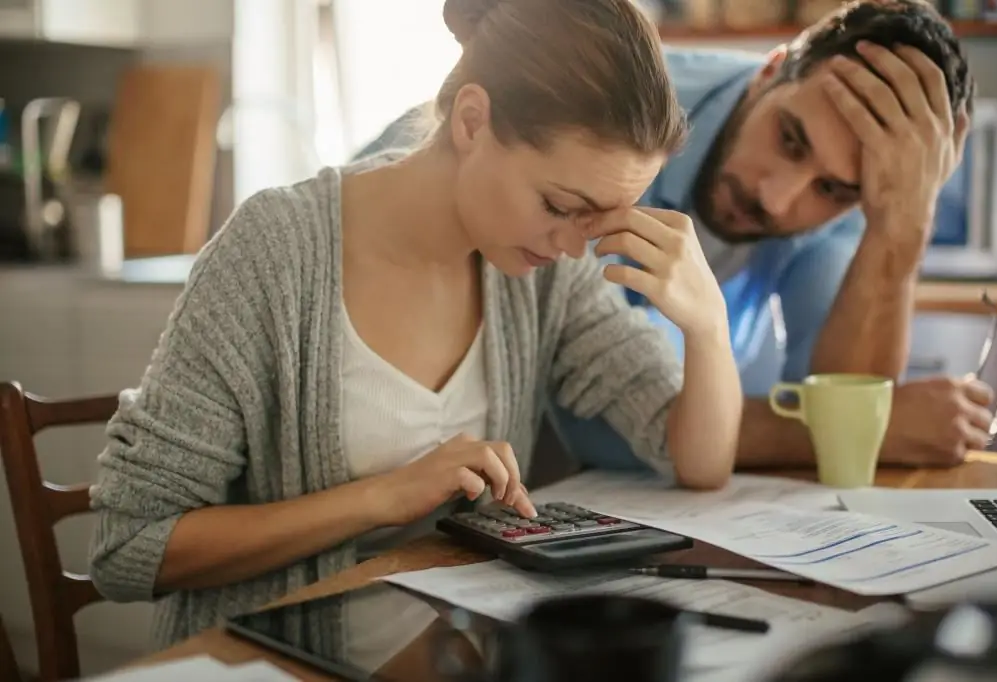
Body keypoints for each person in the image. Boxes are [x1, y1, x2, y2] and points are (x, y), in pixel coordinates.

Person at [87, 0, 742, 664]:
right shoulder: (274, 254)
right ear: (471, 121)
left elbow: (696, 459)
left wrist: (707, 328)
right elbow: (129, 546)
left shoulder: (540, 271)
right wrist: (379, 498)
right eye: (561, 207)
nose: (576, 246)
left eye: (598, 220)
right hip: (276, 663)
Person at [358, 0, 995, 473]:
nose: (779, 197)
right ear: (770, 71)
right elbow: (608, 429)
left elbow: (840, 426)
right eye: (789, 139)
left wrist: (899, 230)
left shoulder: (861, 186)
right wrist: (867, 432)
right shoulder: (615, 131)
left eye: (834, 191)